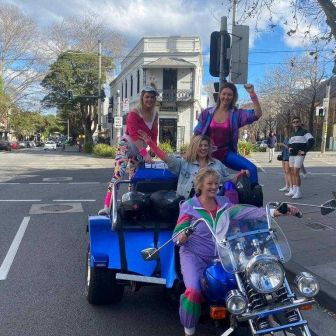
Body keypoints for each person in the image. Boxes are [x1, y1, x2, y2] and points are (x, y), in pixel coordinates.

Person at [174, 168, 300, 336]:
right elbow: (177, 233)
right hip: (194, 255)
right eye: (209, 183)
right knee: (193, 290)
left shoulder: (224, 204)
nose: (213, 187)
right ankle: (189, 330)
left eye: (216, 183)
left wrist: (274, 212)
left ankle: (270, 322)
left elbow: (247, 212)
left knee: (253, 281)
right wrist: (181, 237)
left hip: (222, 253)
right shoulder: (189, 206)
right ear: (200, 185)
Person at [98, 86, 158, 215]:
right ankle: (107, 206)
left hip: (139, 149)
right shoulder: (134, 113)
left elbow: (154, 134)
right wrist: (145, 153)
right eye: (147, 97)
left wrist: (153, 149)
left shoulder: (155, 114)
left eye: (152, 97)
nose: (150, 100)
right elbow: (133, 134)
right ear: (142, 97)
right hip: (127, 145)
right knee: (119, 174)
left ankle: (133, 205)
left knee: (136, 177)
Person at [138, 132, 247, 201]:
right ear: (195, 147)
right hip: (188, 202)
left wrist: (240, 174)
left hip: (211, 202)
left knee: (230, 189)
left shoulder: (217, 164)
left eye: (206, 145)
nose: (203, 148)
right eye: (200, 145)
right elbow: (166, 158)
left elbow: (225, 180)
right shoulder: (185, 163)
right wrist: (150, 143)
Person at [193, 82, 262, 188]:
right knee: (208, 183)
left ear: (233, 97)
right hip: (208, 154)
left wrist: (252, 93)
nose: (226, 97)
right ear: (220, 95)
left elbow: (257, 114)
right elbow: (197, 133)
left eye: (230, 94)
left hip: (226, 154)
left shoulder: (236, 114)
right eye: (224, 94)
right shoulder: (207, 113)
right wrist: (191, 152)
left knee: (251, 168)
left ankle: (254, 200)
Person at [286, 116, 315, 199]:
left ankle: (298, 192)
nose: (295, 123)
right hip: (292, 155)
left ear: (300, 122)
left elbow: (311, 140)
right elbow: (289, 144)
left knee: (296, 172)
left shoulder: (304, 132)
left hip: (299, 155)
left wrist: (305, 151)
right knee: (291, 172)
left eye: (297, 121)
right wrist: (289, 148)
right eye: (294, 122)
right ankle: (294, 190)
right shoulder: (292, 134)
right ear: (292, 124)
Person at [278, 127, 291, 192]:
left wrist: (283, 144)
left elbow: (290, 147)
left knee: (288, 171)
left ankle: (290, 187)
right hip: (284, 155)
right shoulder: (285, 137)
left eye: (286, 130)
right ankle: (286, 186)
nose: (284, 131)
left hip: (288, 156)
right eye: (284, 129)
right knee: (285, 171)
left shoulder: (290, 138)